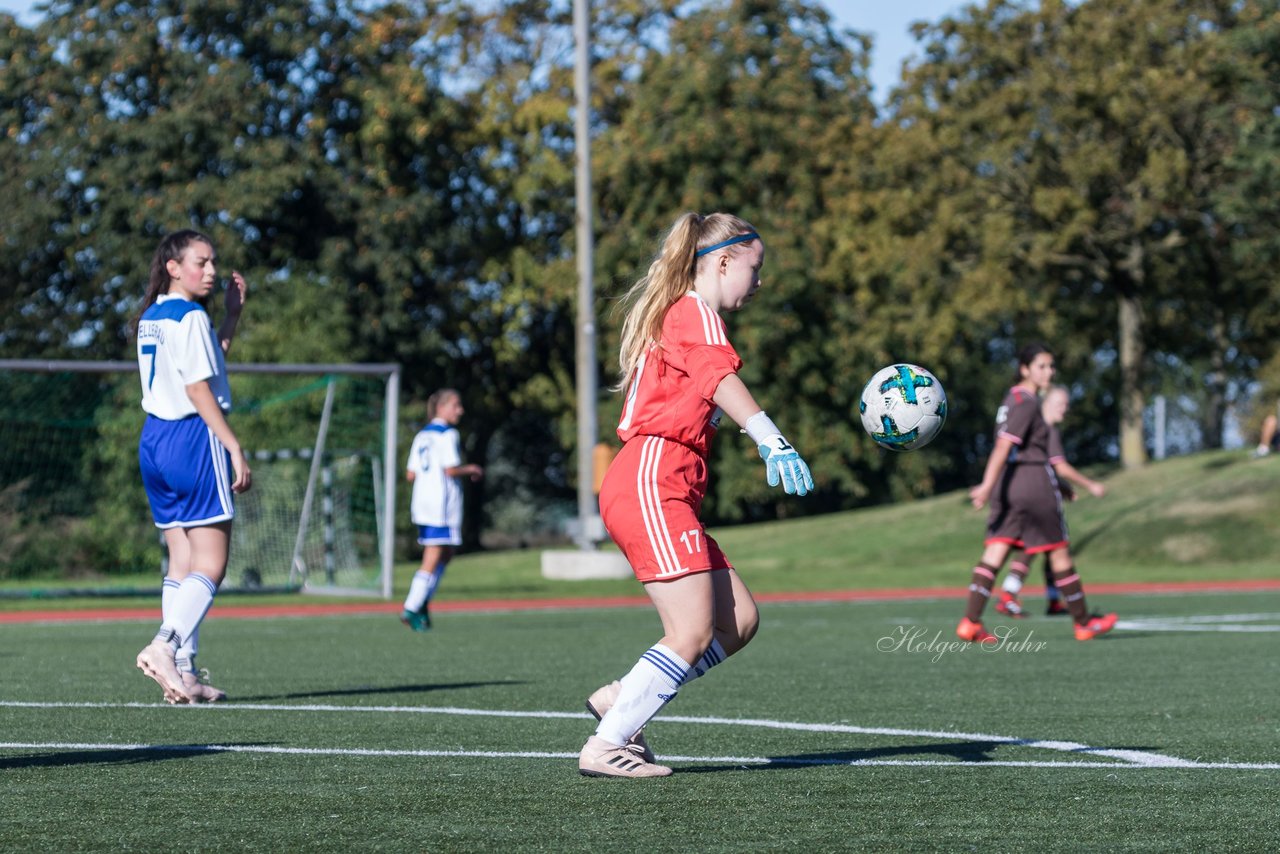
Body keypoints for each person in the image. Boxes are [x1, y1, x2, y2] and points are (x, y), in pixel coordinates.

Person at [578, 212, 814, 779]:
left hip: (667, 484)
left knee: (740, 622)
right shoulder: (692, 310)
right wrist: (771, 440)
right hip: (652, 479)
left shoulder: (685, 313)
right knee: (690, 632)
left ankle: (626, 696)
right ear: (724, 259)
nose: (757, 283)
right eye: (754, 269)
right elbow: (716, 377)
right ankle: (607, 744)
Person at [132, 229, 252, 704]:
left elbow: (204, 365)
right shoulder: (190, 317)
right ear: (173, 267)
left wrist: (231, 318)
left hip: (155, 440)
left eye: (213, 262)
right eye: (201, 262)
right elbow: (200, 389)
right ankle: (165, 646)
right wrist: (234, 446)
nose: (211, 270)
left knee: (182, 560)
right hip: (191, 439)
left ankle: (183, 673)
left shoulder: (152, 317)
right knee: (213, 563)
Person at [958, 344, 1116, 643]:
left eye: (1051, 366)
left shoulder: (1010, 400)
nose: (1049, 372)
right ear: (1024, 369)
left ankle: (970, 621)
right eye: (1042, 366)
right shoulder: (1028, 402)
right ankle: (1083, 622)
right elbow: (1004, 447)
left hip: (1010, 484)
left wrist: (996, 486)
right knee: (1058, 552)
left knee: (997, 550)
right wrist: (986, 485)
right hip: (1032, 483)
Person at [994, 384, 1106, 618]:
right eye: (1060, 404)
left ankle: (1051, 600)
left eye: (1067, 405)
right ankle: (1008, 596)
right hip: (1035, 496)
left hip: (1026, 491)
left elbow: (1044, 465)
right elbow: (1060, 465)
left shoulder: (1037, 426)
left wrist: (1062, 486)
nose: (1065, 410)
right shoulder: (1046, 427)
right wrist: (1090, 484)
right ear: (1047, 403)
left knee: (1042, 550)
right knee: (1045, 548)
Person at [400, 389, 483, 631]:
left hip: (423, 502)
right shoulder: (448, 434)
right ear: (441, 408)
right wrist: (472, 469)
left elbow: (410, 474)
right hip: (440, 504)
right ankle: (413, 606)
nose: (460, 410)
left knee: (445, 554)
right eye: (456, 405)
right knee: (434, 554)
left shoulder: (422, 435)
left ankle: (423, 601)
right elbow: (450, 469)